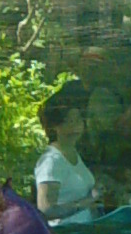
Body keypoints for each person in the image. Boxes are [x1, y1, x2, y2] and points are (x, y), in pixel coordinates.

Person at [34, 83, 101, 224]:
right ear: (54, 126)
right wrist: (88, 201)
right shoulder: (51, 161)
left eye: (78, 120)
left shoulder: (74, 153)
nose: (75, 126)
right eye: (68, 121)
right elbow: (46, 209)